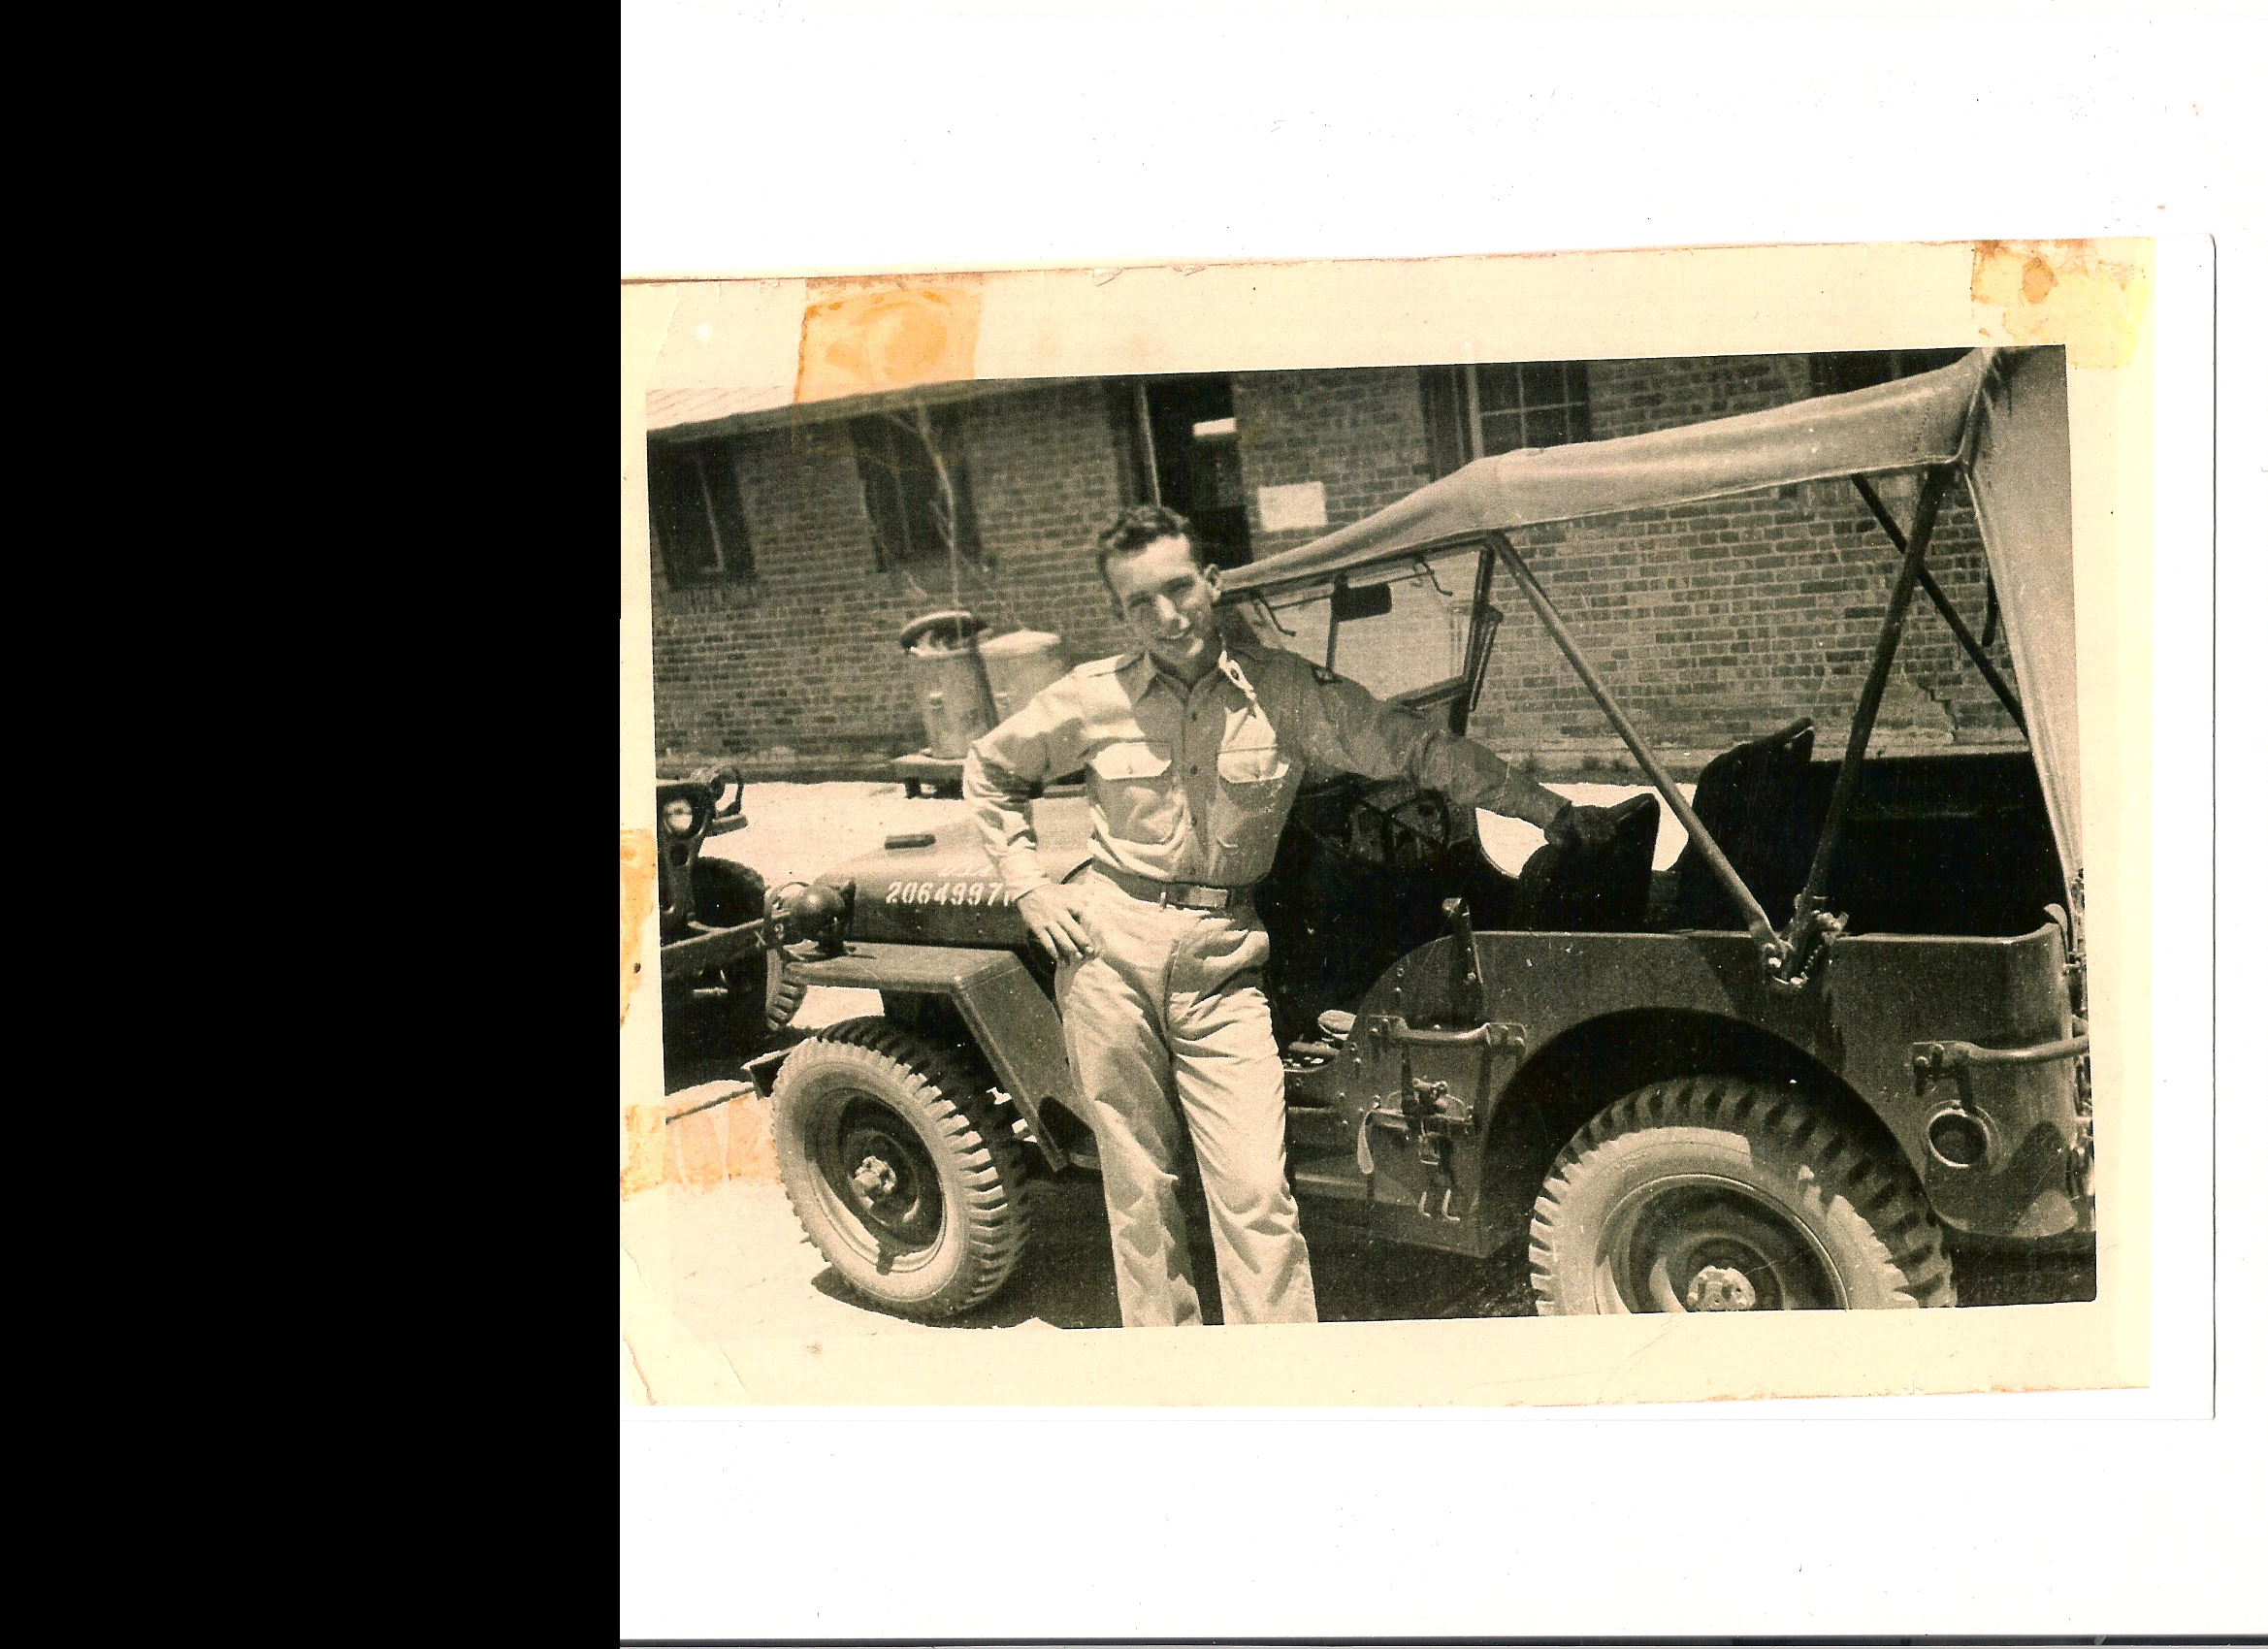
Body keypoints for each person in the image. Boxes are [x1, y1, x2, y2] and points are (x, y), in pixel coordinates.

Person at [962, 504, 1615, 1328]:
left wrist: (1549, 810)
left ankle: (1281, 1379)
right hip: (1108, 953)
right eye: (1139, 603)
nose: (1166, 616)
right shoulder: (1093, 698)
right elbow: (989, 771)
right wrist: (1029, 885)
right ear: (1120, 614)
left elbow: (1416, 747)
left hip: (1222, 964)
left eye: (1178, 589)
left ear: (1212, 582)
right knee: (1139, 1194)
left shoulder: (1285, 692)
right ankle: (1167, 1368)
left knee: (1256, 1195)